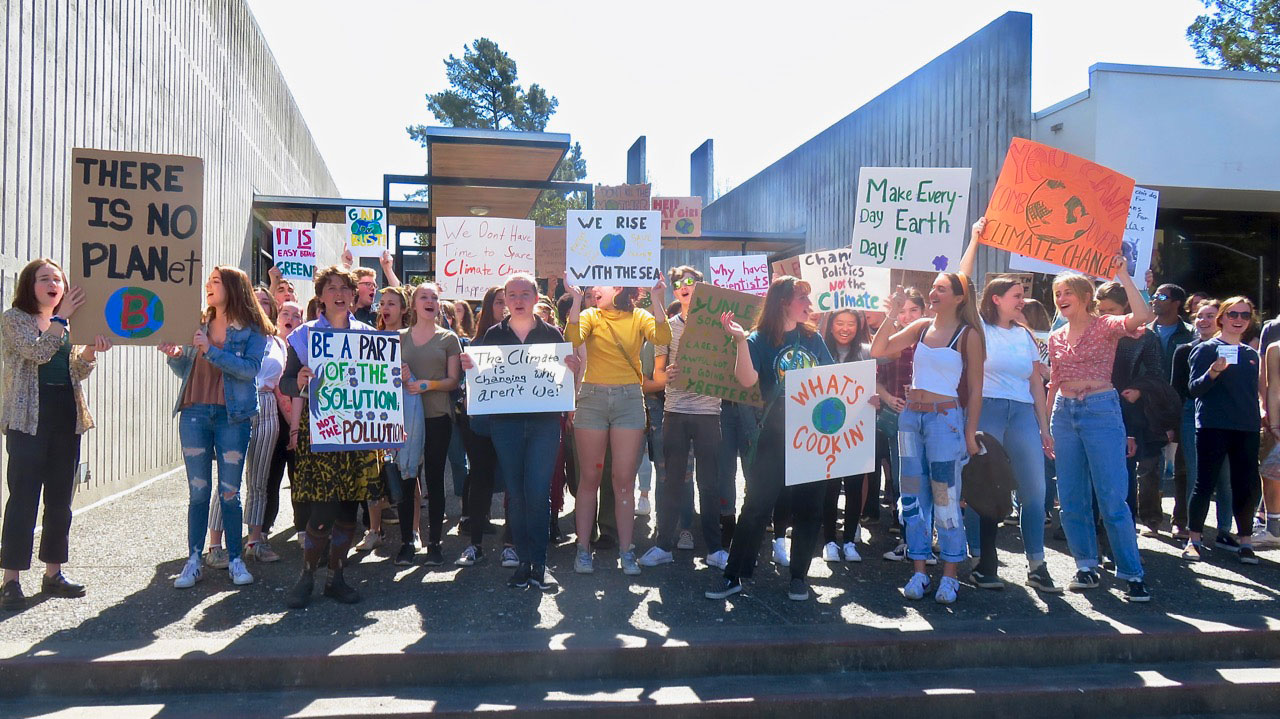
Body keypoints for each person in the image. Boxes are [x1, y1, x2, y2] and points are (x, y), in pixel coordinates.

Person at [705, 276, 831, 601]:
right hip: (775, 435)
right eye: (803, 298)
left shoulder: (814, 339)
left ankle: (799, 577)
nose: (809, 305)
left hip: (812, 434)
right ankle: (734, 575)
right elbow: (746, 380)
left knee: (810, 507)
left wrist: (863, 399)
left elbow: (834, 381)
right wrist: (740, 342)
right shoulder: (759, 339)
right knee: (757, 507)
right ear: (783, 302)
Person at [870, 265, 984, 605]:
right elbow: (878, 350)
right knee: (911, 497)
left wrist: (969, 433)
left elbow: (976, 389)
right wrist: (892, 314)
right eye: (933, 288)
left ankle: (950, 576)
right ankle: (919, 571)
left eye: (942, 289)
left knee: (945, 498)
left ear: (960, 297)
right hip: (910, 420)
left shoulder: (968, 335)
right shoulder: (920, 326)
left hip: (945, 422)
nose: (933, 294)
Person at [1, 259, 110, 610]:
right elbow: (36, 352)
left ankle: (53, 574)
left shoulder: (69, 324)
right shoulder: (14, 319)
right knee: (22, 500)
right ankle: (11, 580)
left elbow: (76, 368)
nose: (53, 283)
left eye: (58, 279)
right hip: (28, 421)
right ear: (29, 286)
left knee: (60, 502)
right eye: (44, 278)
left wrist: (92, 349)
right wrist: (61, 319)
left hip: (66, 419)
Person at [955, 230, 1058, 592]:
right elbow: (962, 282)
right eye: (1017, 296)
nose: (1023, 301)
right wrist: (975, 240)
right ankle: (978, 559)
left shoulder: (1025, 335)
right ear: (996, 299)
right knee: (982, 486)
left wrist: (1044, 429)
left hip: (1023, 414)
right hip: (987, 412)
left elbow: (1035, 384)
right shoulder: (978, 328)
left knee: (1034, 490)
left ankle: (1037, 563)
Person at [160, 266, 272, 590]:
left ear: (234, 288)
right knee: (197, 493)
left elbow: (250, 370)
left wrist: (212, 350)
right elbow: (186, 369)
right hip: (194, 411)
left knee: (230, 492)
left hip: (232, 416)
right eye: (208, 282)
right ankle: (194, 560)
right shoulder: (198, 322)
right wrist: (175, 355)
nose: (208, 286)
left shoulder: (253, 329)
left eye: (215, 282)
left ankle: (235, 560)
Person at [1047, 266, 1153, 602]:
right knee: (1071, 499)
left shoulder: (1105, 325)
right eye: (1057, 294)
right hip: (1064, 414)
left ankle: (1132, 574)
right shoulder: (1055, 336)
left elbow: (1143, 315)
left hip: (1100, 409)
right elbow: (1055, 383)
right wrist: (1045, 426)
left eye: (1067, 292)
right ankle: (1086, 566)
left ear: (1084, 297)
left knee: (1111, 498)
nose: (1061, 299)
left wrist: (1124, 275)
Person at [280, 265, 383, 607]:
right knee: (321, 512)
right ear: (321, 296)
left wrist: (396, 377)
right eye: (331, 287)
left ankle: (336, 578)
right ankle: (307, 576)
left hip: (357, 432)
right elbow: (284, 381)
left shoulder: (369, 336)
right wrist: (298, 380)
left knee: (347, 512)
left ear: (354, 295)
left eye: (345, 288)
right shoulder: (305, 335)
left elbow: (381, 383)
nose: (339, 293)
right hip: (322, 431)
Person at [461, 274, 572, 588]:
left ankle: (540, 563)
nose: (519, 299)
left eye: (525, 293)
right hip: (505, 425)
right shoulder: (491, 337)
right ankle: (524, 562)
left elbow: (565, 378)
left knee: (538, 494)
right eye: (512, 294)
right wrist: (469, 365)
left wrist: (574, 369)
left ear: (536, 297)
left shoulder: (553, 334)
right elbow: (479, 378)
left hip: (544, 425)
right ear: (505, 300)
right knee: (517, 495)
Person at [565, 277, 671, 575]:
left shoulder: (639, 316)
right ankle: (583, 549)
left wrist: (658, 298)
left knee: (624, 480)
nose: (594, 290)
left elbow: (662, 335)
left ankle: (627, 551)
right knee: (589, 477)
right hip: (592, 398)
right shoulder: (589, 315)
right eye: (592, 287)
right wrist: (574, 300)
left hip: (628, 399)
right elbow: (572, 340)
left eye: (602, 285)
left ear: (620, 288)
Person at [639, 267, 729, 570]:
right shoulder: (667, 326)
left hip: (708, 412)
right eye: (678, 284)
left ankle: (715, 549)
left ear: (701, 287)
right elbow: (658, 373)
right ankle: (663, 544)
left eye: (690, 282)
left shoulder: (720, 324)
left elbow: (733, 366)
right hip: (675, 410)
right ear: (675, 291)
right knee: (672, 479)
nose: (684, 287)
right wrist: (668, 376)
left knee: (709, 480)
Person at [1183, 298, 1263, 565]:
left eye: (1245, 314)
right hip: (1212, 425)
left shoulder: (1252, 354)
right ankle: (1193, 539)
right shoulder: (1206, 349)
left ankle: (1245, 542)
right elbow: (1193, 389)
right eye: (1232, 314)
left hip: (1246, 427)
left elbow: (1253, 393)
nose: (1238, 319)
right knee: (1204, 484)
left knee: (1245, 486)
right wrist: (1213, 372)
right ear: (1222, 318)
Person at [1096, 281, 1167, 532]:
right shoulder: (1092, 330)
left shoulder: (1144, 337)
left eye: (1111, 310)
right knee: (1092, 469)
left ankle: (1122, 532)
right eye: (1101, 310)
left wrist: (1139, 389)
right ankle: (1093, 531)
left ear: (1127, 307)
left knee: (1122, 472)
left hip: (1127, 408)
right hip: (1093, 405)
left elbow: (1157, 374)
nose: (1105, 316)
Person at [400, 282, 462, 568]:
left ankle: (435, 543)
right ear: (413, 304)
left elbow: (453, 381)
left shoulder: (449, 338)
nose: (430, 301)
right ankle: (406, 542)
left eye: (435, 297)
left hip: (437, 415)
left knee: (435, 479)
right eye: (423, 296)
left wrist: (428, 385)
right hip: (405, 418)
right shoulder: (398, 339)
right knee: (407, 477)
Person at [456, 286, 518, 568]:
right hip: (482, 424)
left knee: (514, 483)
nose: (506, 307)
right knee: (481, 479)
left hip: (516, 423)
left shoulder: (524, 340)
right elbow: (465, 385)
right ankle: (475, 544)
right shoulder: (476, 344)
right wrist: (466, 370)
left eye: (510, 302)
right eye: (500, 302)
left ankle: (511, 544)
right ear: (488, 306)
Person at [819, 308, 874, 563]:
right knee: (829, 487)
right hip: (826, 429)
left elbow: (876, 383)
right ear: (830, 326)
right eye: (839, 323)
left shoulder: (865, 352)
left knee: (853, 486)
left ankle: (850, 540)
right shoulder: (820, 350)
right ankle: (829, 540)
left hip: (856, 429)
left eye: (850, 323)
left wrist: (876, 397)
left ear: (858, 326)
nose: (844, 328)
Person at [878, 288, 927, 558]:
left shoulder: (935, 339)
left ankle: (934, 536)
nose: (908, 317)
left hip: (932, 418)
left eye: (914, 311)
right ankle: (908, 539)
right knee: (905, 481)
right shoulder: (891, 341)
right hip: (898, 418)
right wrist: (887, 397)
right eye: (903, 311)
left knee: (932, 480)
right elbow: (873, 374)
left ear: (924, 312)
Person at [261, 300, 304, 545]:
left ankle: (302, 529)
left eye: (296, 315)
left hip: (297, 424)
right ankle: (263, 529)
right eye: (285, 313)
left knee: (299, 479)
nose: (290, 317)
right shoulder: (270, 345)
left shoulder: (303, 346)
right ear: (277, 319)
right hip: (271, 421)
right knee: (270, 480)